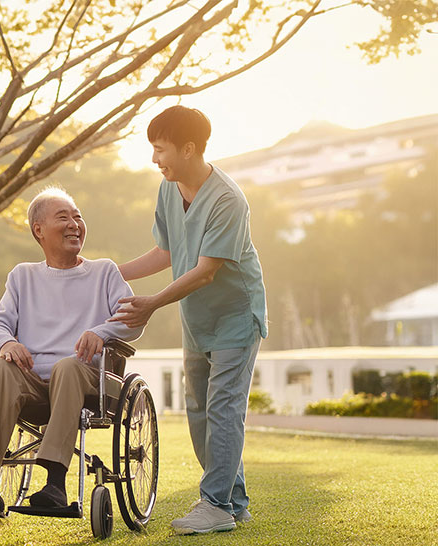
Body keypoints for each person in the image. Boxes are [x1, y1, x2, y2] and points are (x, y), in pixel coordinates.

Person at [111, 105, 267, 535]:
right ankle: (234, 501)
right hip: (198, 318)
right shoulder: (169, 189)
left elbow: (205, 270)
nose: (155, 159)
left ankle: (215, 504)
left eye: (160, 150)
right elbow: (166, 252)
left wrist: (151, 303)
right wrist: (110, 273)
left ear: (189, 148)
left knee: (223, 410)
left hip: (236, 316)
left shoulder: (227, 199)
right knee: (198, 410)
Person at [0, 187, 143, 514]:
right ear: (38, 230)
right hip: (34, 386)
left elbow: (133, 320)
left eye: (78, 217)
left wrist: (101, 331)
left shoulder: (104, 272)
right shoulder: (22, 276)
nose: (74, 224)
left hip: (85, 380)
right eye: (63, 217)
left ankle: (55, 484)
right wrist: (8, 342)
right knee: (2, 366)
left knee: (67, 366)